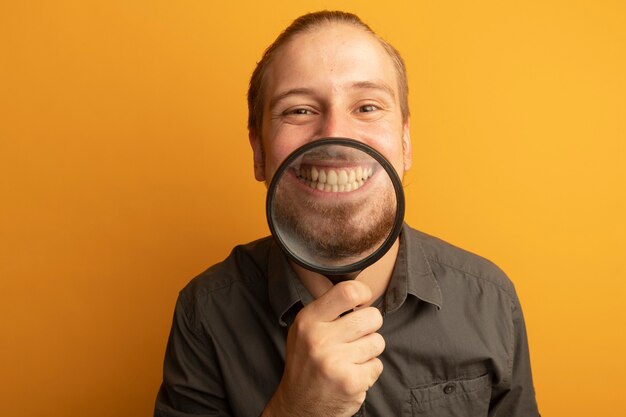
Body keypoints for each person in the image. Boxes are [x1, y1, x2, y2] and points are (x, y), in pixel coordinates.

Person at [154, 10, 540, 417]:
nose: (336, 134)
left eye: (368, 107)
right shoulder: (206, 312)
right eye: (299, 110)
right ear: (259, 152)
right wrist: (295, 409)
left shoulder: (490, 300)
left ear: (405, 142)